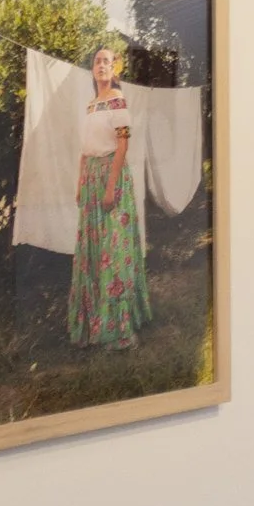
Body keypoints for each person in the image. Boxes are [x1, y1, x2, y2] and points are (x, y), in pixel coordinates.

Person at [70, 44, 150, 349]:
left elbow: (123, 144)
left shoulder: (118, 99)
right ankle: (95, 321)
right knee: (94, 248)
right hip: (91, 177)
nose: (102, 65)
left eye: (107, 61)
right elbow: (85, 148)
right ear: (92, 70)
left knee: (112, 248)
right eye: (97, 61)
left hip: (110, 175)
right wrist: (81, 183)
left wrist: (111, 185)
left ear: (115, 69)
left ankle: (120, 330)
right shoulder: (91, 105)